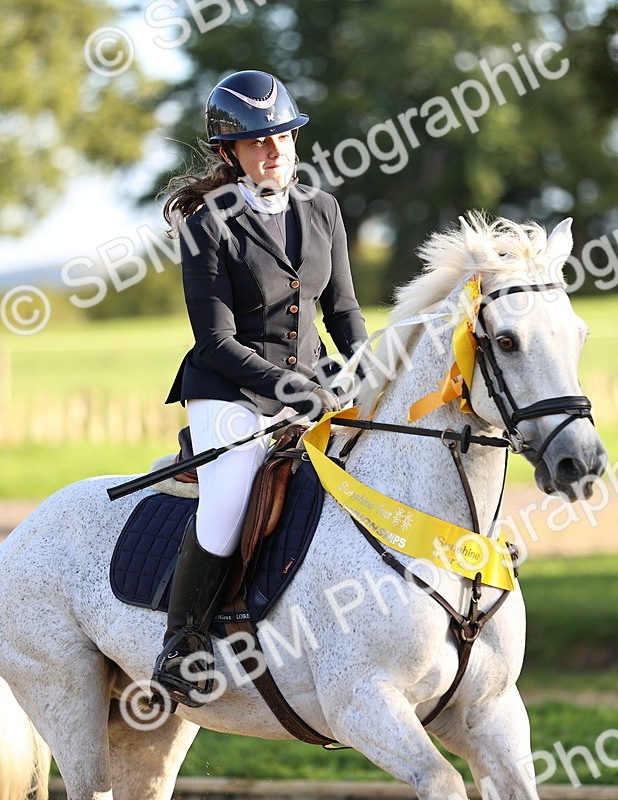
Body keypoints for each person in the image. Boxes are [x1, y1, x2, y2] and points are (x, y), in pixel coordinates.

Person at [153, 70, 369, 706]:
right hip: (229, 392)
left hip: (308, 385)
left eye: (281, 136)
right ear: (231, 154)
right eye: (256, 142)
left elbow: (345, 310)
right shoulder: (206, 225)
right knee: (231, 492)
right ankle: (182, 640)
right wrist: (286, 384)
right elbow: (215, 340)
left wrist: (365, 367)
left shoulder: (323, 210)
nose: (272, 150)